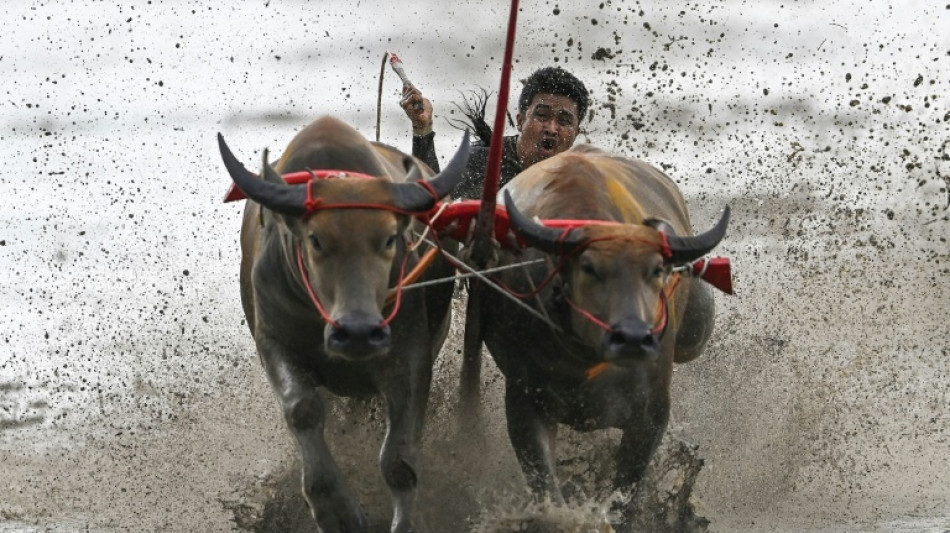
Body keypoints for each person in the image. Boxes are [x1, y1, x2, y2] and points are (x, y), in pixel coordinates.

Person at [400, 66, 590, 199]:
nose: (551, 128)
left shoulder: (582, 182)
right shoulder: (484, 161)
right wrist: (422, 129)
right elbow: (435, 202)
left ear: (576, 133)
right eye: (542, 116)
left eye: (564, 121)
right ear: (520, 121)